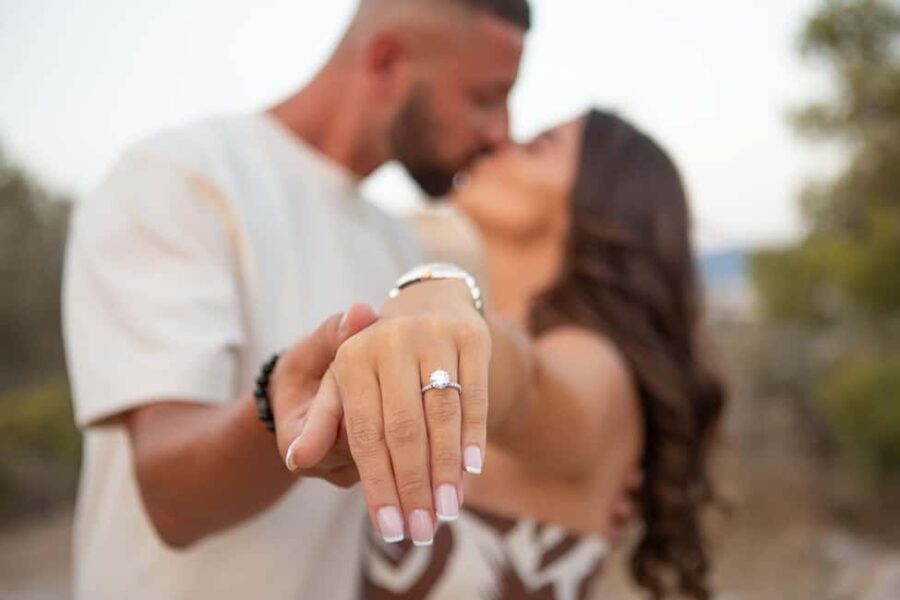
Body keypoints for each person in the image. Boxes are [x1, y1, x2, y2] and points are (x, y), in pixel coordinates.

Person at [64, 1, 531, 598]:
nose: (503, 132)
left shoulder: (401, 244)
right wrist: (278, 403)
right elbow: (171, 501)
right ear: (387, 62)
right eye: (487, 97)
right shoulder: (180, 178)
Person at [360, 110, 726, 599]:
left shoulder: (597, 363)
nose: (498, 144)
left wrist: (442, 309)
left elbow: (527, 387)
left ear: (602, 201)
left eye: (538, 146)